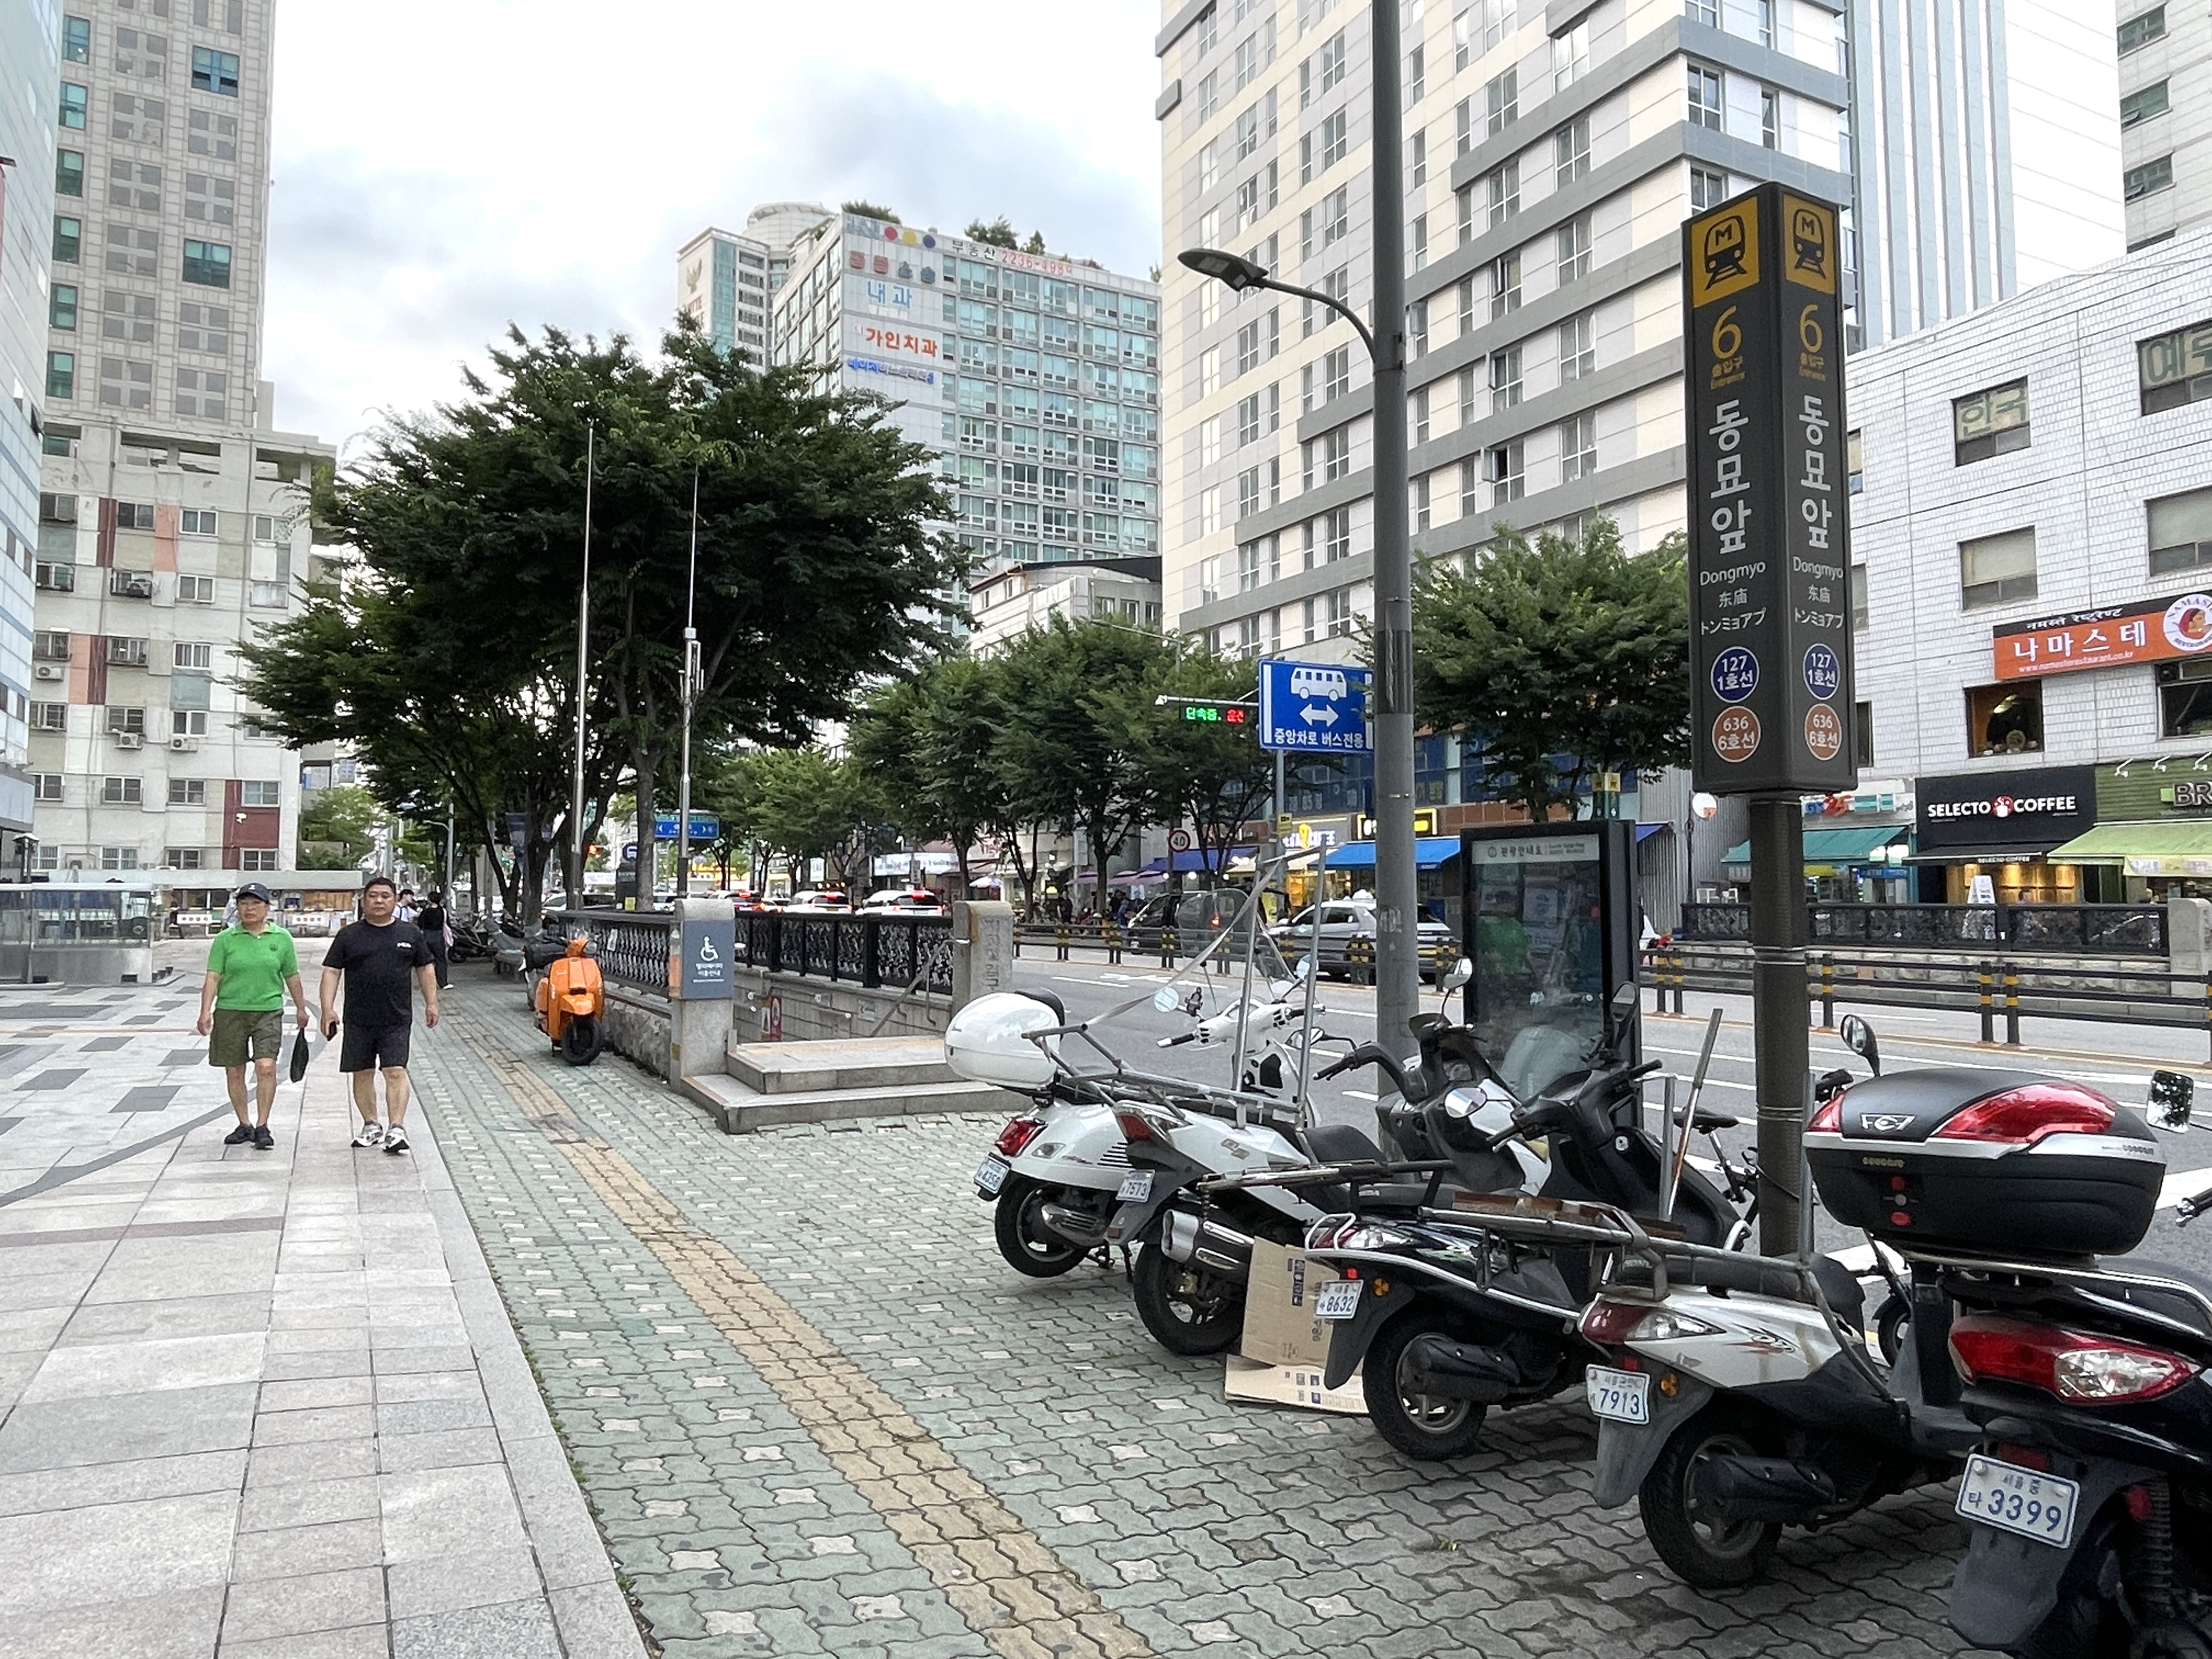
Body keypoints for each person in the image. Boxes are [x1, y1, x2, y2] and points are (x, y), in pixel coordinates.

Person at [320, 874, 439, 1155]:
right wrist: (327, 1009)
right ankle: (371, 1125)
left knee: (395, 1071)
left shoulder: (410, 934)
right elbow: (332, 971)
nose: (379, 901)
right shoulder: (349, 935)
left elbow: (425, 968)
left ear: (395, 900)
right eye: (373, 896)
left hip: (397, 1018)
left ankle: (396, 1128)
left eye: (385, 896)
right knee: (362, 1073)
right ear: (363, 901)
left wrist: (432, 1003)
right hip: (358, 1018)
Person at [197, 881, 312, 1150]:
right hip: (230, 1010)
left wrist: (301, 1007)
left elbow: (292, 975)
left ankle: (262, 1125)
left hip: (268, 1011)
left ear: (267, 907)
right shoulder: (226, 939)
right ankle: (244, 1124)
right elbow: (213, 976)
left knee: (266, 1066)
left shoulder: (281, 938)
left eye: (255, 903)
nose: (249, 909)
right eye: (244, 903)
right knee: (234, 1069)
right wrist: (205, 1011)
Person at [417, 889, 452, 989]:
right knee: (440, 960)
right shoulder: (442, 911)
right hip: (438, 937)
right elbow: (447, 923)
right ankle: (443, 983)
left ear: (430, 900)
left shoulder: (425, 911)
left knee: (426, 961)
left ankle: (426, 983)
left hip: (426, 937)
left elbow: (420, 923)